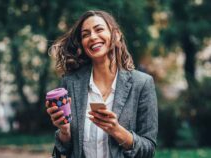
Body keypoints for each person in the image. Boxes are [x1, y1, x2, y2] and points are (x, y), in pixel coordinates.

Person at [46, 10, 158, 158]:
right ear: (82, 44)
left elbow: (148, 149)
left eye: (99, 29)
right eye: (85, 34)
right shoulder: (71, 82)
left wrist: (116, 130)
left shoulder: (142, 83)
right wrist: (64, 132)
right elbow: (64, 150)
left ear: (116, 35)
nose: (92, 37)